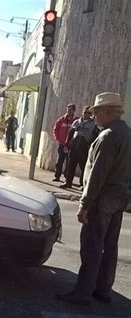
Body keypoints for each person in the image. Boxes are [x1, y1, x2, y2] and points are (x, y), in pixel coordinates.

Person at [56, 92, 130, 305]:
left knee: (92, 245)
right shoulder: (126, 133)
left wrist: (85, 204)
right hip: (120, 195)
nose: (94, 115)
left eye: (97, 111)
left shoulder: (108, 136)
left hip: (103, 197)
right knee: (110, 245)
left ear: (109, 112)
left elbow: (97, 174)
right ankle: (103, 289)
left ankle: (82, 292)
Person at [60, 106, 98, 188]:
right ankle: (68, 182)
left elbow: (95, 136)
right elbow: (70, 133)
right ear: (82, 112)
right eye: (85, 112)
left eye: (89, 113)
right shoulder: (76, 122)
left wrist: (88, 145)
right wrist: (67, 144)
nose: (86, 114)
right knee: (70, 166)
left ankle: (83, 184)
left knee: (84, 167)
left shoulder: (94, 124)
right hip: (74, 148)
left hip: (84, 149)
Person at [53, 103, 76, 182]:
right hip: (62, 144)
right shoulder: (61, 120)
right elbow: (55, 130)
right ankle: (57, 176)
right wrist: (59, 140)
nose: (69, 111)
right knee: (59, 160)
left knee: (68, 162)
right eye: (68, 109)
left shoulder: (76, 121)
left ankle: (67, 178)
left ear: (74, 111)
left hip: (70, 145)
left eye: (71, 109)